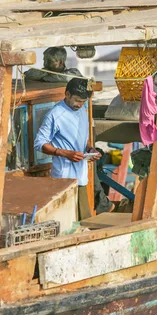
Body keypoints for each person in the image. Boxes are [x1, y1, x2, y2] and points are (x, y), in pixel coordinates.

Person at [34, 78, 112, 219]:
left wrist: (90, 150)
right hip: (63, 178)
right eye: (77, 100)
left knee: (84, 220)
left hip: (81, 177)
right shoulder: (55, 114)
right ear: (67, 94)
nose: (79, 104)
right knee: (66, 221)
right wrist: (64, 153)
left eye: (83, 101)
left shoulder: (83, 109)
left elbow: (84, 140)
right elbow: (39, 143)